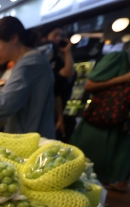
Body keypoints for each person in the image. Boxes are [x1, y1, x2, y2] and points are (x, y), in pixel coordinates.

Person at [70, 51, 130, 192]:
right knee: (85, 162)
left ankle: (96, 195)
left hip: (120, 124)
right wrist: (124, 79)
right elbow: (89, 85)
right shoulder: (118, 58)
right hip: (101, 120)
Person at [42, 26, 75, 139]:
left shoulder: (58, 58)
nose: (59, 38)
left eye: (61, 35)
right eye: (55, 35)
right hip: (46, 109)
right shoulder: (42, 60)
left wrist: (67, 52)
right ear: (44, 38)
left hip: (58, 105)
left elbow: (69, 73)